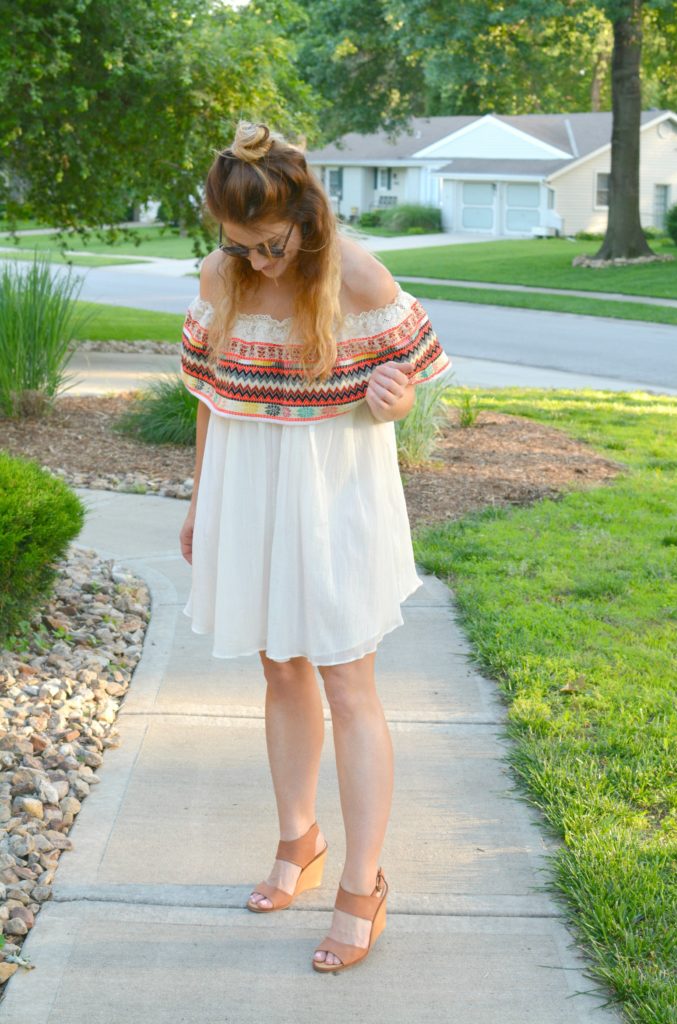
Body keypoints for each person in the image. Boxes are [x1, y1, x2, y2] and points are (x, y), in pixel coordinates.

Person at [178, 121, 451, 973]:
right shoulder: (219, 276)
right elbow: (209, 396)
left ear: (307, 215)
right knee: (277, 665)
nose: (254, 262)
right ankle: (298, 837)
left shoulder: (359, 276)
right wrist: (198, 503)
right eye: (236, 243)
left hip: (334, 495)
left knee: (345, 678)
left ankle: (362, 884)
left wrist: (391, 398)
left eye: (268, 244)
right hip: (248, 486)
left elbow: (409, 391)